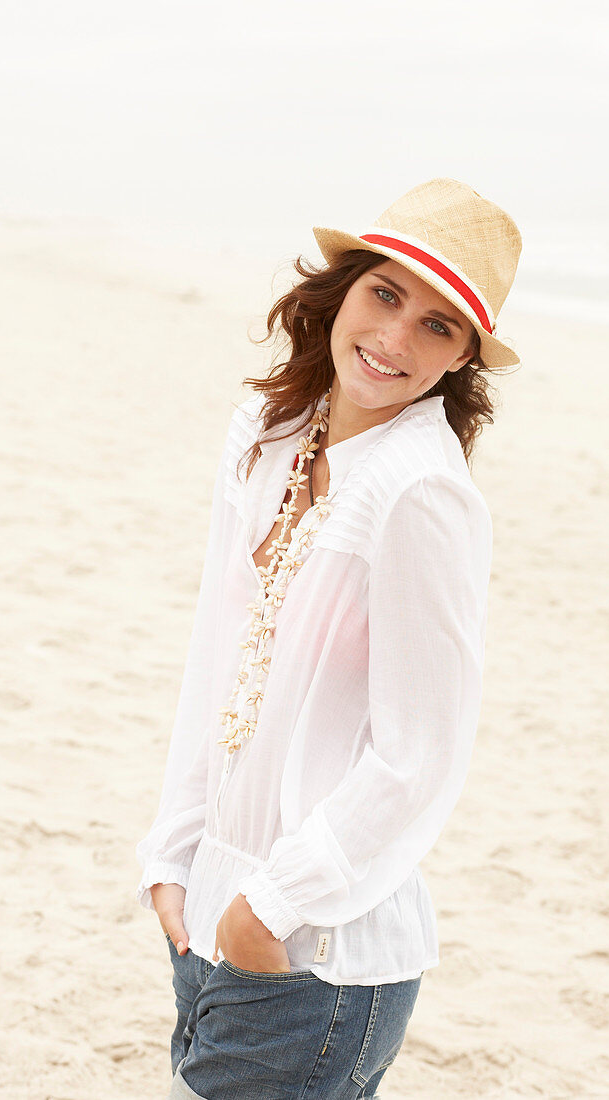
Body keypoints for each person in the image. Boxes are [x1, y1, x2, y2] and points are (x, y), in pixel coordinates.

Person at [136, 177, 522, 1099]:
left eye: (438, 326)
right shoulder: (266, 436)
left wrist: (268, 912)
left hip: (317, 950)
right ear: (340, 291)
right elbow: (215, 659)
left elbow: (421, 754)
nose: (393, 339)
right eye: (385, 294)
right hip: (211, 909)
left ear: (461, 357)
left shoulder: (418, 493)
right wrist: (171, 853)